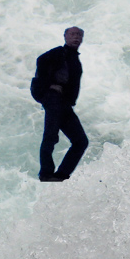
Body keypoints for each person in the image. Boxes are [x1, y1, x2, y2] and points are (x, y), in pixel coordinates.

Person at [31, 26, 89, 181]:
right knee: (50, 135)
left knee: (80, 141)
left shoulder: (74, 57)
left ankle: (61, 175)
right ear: (65, 36)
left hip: (64, 103)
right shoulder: (58, 53)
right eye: (73, 34)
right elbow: (41, 61)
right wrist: (49, 85)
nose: (76, 37)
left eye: (79, 35)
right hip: (53, 99)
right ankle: (46, 174)